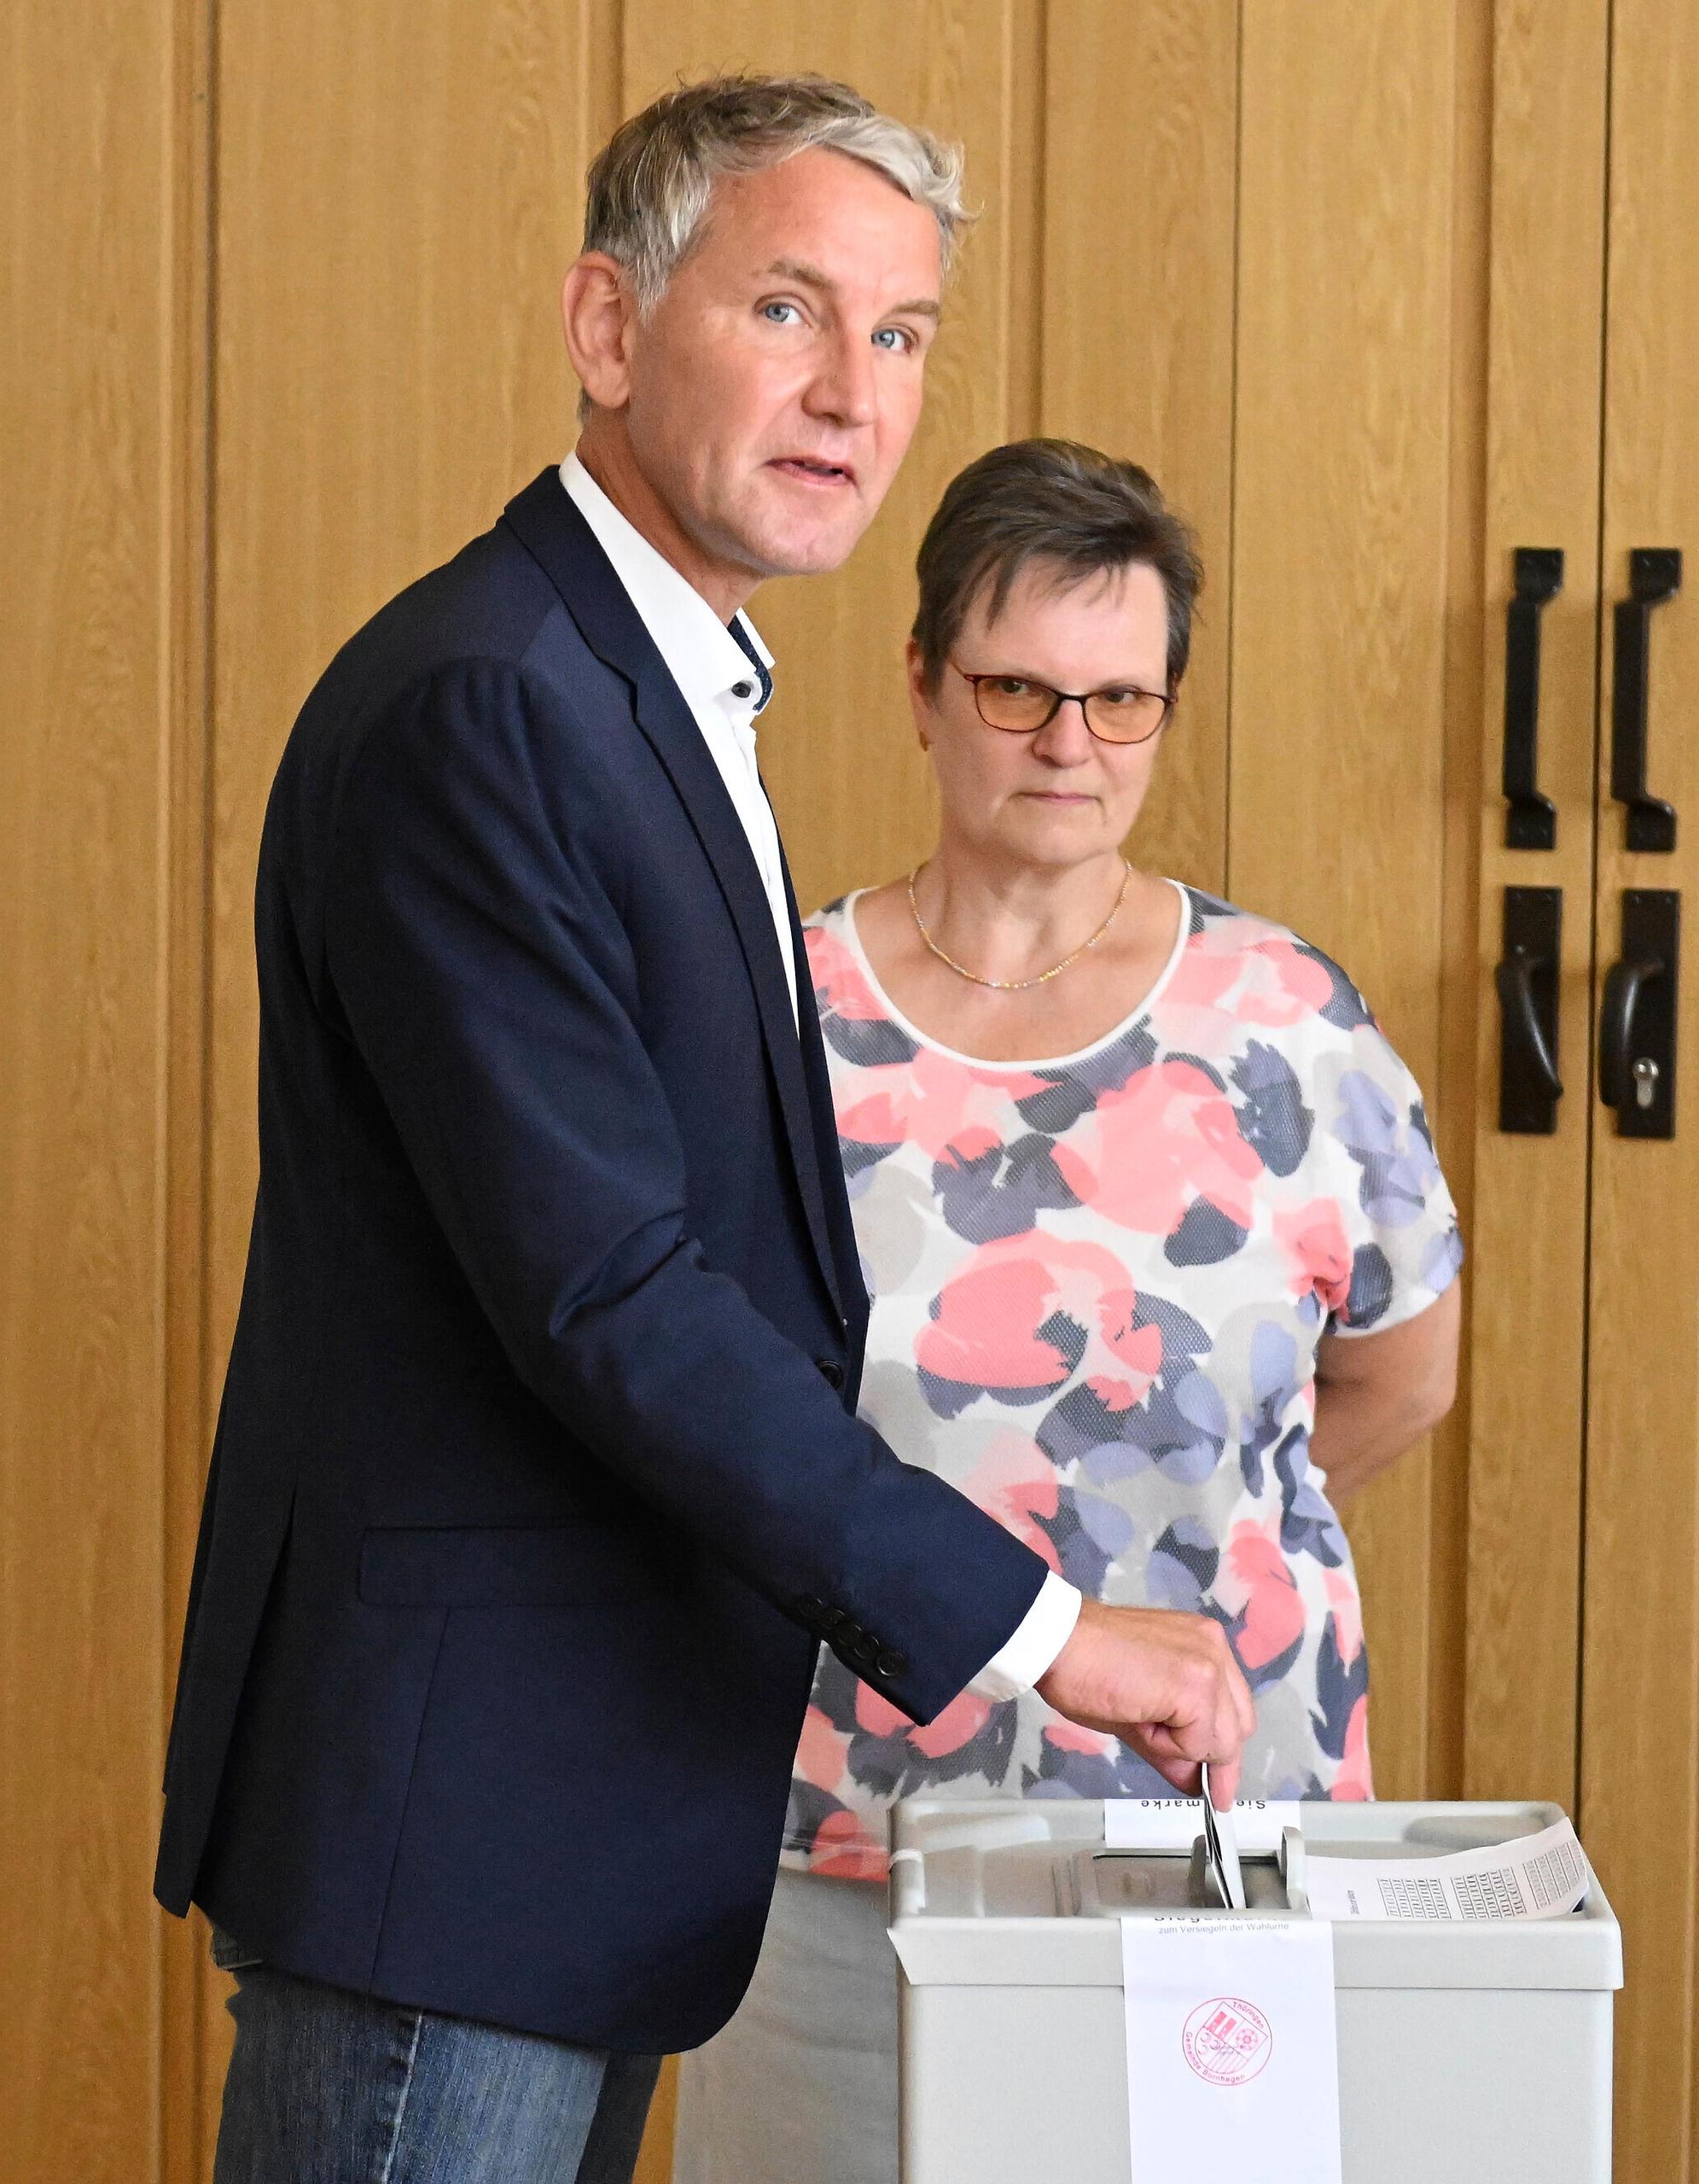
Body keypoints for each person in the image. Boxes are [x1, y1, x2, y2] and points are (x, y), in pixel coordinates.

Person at [152, 79, 1256, 2184]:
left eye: (906, 332)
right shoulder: (496, 699)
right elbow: (609, 1294)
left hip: (567, 1823)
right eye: (787, 309)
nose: (857, 391)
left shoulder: (658, 682)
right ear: (606, 325)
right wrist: (1044, 1629)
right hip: (452, 1835)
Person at [674, 438, 1465, 2183]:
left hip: (1204, 1837)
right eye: (1021, 688)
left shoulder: (1291, 1024)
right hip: (828, 1830)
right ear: (921, 686)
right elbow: (694, 1402)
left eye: (1123, 701)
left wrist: (1153, 1508)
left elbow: (1402, 1376)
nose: (1069, 747)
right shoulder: (770, 1013)